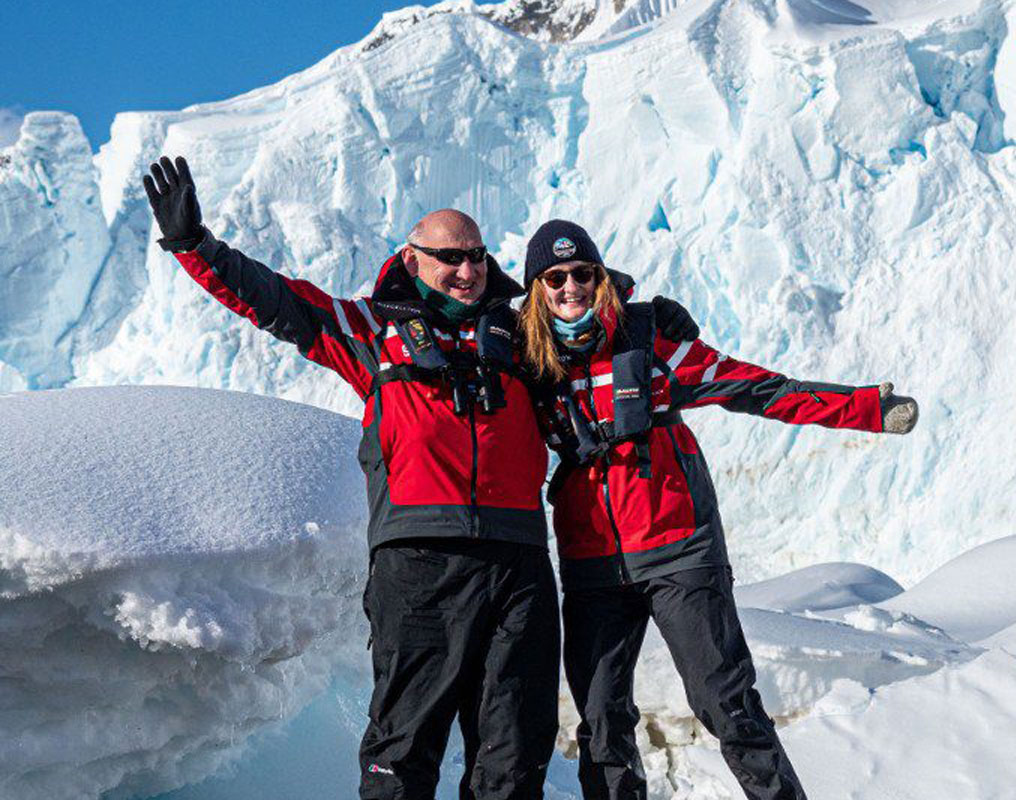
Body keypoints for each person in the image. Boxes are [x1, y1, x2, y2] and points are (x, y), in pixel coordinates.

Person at [142, 158, 699, 800]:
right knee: (404, 748)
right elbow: (276, 301)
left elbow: (586, 321)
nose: (469, 271)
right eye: (451, 258)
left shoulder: (523, 339)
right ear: (412, 261)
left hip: (519, 565)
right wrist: (194, 246)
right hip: (419, 563)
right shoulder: (373, 332)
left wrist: (647, 318)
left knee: (516, 747)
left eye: (479, 258)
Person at [518, 219, 918, 800]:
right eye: (555, 277)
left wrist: (863, 409)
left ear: (601, 278)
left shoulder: (649, 342)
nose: (570, 286)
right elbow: (450, 309)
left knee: (725, 703)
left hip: (679, 551)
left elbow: (756, 388)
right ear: (537, 288)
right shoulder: (527, 359)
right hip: (592, 566)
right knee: (601, 721)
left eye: (583, 272)